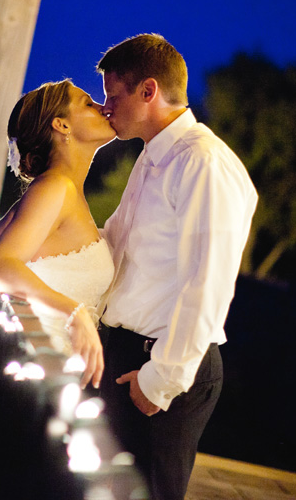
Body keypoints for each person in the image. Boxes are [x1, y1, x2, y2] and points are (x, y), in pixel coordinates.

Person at [96, 34, 258, 500]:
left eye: (113, 95)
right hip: (128, 355)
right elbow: (116, 243)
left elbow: (208, 283)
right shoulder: (153, 156)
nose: (107, 108)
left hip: (167, 365)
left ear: (148, 91)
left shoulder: (203, 163)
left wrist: (160, 380)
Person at [0, 78, 116, 389]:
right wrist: (75, 313)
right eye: (88, 103)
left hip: (56, 377)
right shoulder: (56, 187)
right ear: (61, 125)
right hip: (38, 377)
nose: (102, 107)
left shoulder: (61, 190)